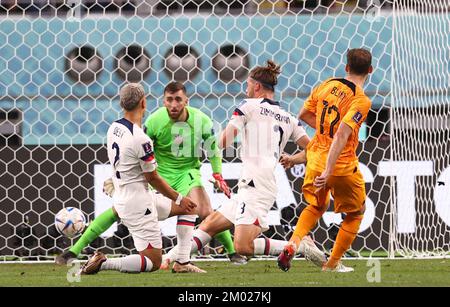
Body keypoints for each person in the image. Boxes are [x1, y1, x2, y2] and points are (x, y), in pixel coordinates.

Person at [56, 82, 245, 272]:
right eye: (169, 100)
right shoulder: (154, 122)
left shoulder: (201, 120)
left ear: (186, 101)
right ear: (160, 101)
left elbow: (212, 149)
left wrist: (218, 174)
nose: (173, 105)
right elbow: (137, 155)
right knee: (125, 219)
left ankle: (218, 254)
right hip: (158, 174)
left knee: (202, 209)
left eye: (178, 100)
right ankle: (76, 250)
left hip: (187, 172)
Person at [162, 60, 327, 268]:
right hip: (255, 184)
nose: (246, 89)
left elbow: (223, 142)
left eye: (248, 85)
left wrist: (201, 141)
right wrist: (294, 159)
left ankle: (298, 245)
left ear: (257, 86)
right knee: (210, 224)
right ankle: (168, 259)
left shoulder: (247, 107)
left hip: (256, 186)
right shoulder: (289, 118)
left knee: (243, 246)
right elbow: (314, 150)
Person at [81, 83, 198, 275]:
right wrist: (178, 197)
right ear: (144, 103)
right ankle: (104, 262)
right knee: (153, 261)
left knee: (190, 209)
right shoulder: (141, 139)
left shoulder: (114, 128)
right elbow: (152, 178)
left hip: (129, 197)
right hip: (139, 204)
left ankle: (183, 262)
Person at [277, 48, 373, 273]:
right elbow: (341, 134)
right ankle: (331, 264)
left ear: (346, 67)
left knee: (317, 205)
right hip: (340, 165)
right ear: (370, 70)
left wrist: (320, 139)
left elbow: (303, 115)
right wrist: (330, 170)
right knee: (356, 212)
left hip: (316, 160)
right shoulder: (361, 100)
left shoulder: (326, 84)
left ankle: (293, 243)